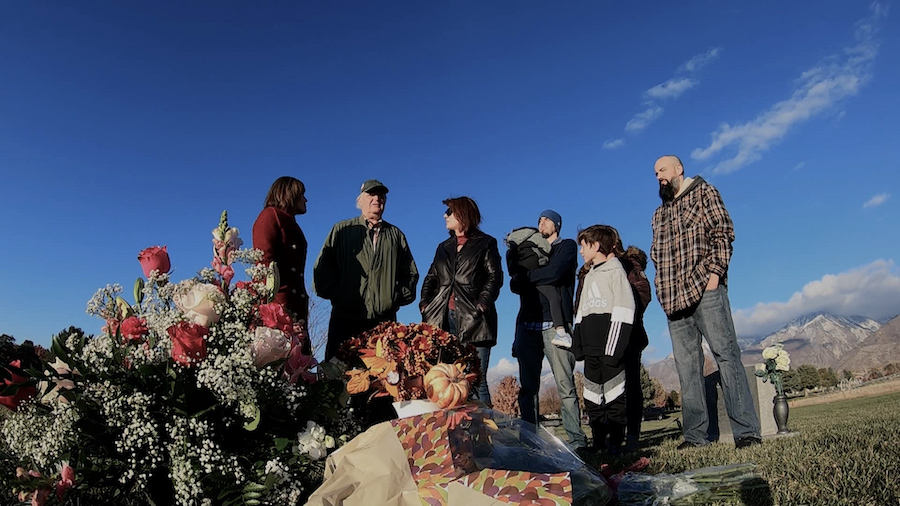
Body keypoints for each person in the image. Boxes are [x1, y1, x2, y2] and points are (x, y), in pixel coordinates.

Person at [650, 155, 761, 449]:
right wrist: (662, 288)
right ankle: (695, 437)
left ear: (679, 169)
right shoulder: (658, 214)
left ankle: (746, 432)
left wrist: (714, 277)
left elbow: (723, 233)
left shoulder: (704, 191)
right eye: (655, 173)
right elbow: (656, 256)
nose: (659, 176)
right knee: (687, 369)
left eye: (662, 170)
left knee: (726, 356)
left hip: (706, 290)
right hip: (673, 302)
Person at [313, 179, 419, 362]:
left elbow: (410, 273)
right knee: (337, 374)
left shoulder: (396, 235)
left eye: (381, 195)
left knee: (382, 377)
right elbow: (323, 268)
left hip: (383, 325)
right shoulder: (342, 230)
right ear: (360, 201)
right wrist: (339, 296)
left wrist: (393, 298)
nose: (377, 199)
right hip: (345, 319)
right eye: (371, 194)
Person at [510, 210, 588, 450]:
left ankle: (577, 440)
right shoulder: (528, 248)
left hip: (556, 325)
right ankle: (529, 442)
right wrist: (528, 277)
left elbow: (556, 273)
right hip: (527, 325)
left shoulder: (566, 247)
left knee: (565, 384)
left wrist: (527, 276)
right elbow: (514, 282)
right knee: (528, 389)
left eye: (546, 219)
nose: (541, 222)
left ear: (557, 224)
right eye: (539, 220)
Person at [420, 197, 503, 405]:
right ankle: (451, 426)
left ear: (462, 214)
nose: (444, 216)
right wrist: (425, 304)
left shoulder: (485, 243)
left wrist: (482, 303)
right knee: (444, 380)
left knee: (476, 381)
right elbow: (431, 277)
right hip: (442, 320)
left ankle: (483, 426)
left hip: (475, 320)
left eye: (449, 212)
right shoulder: (443, 247)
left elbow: (494, 276)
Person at [571, 225, 635, 456]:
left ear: (596, 246)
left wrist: (613, 350)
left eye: (584, 246)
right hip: (590, 350)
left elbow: (624, 309)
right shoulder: (589, 275)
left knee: (614, 396)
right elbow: (581, 311)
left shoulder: (615, 272)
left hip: (610, 349)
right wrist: (578, 343)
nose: (581, 251)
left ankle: (615, 444)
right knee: (591, 398)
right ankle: (598, 443)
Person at [252, 176, 311, 353]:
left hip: (295, 307)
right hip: (279, 310)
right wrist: (275, 310)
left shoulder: (289, 222)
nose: (306, 200)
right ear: (289, 194)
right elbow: (264, 264)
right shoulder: (270, 216)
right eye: (302, 195)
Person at [505, 227, 569, 347]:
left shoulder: (512, 245)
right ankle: (561, 332)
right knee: (554, 297)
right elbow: (546, 249)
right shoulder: (535, 235)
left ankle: (516, 342)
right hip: (538, 274)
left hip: (522, 278)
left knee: (523, 306)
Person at [620, 245, 651, 452]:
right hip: (616, 334)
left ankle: (630, 436)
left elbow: (642, 296)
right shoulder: (594, 267)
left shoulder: (632, 269)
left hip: (630, 334)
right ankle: (618, 436)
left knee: (630, 386)